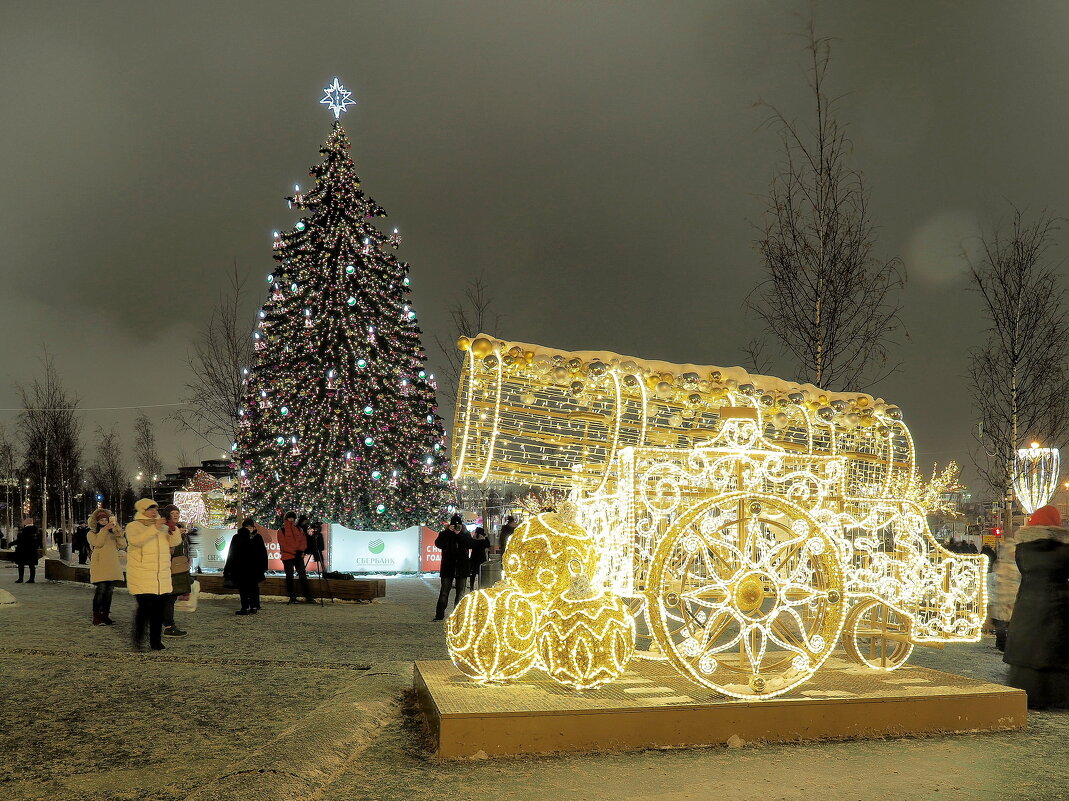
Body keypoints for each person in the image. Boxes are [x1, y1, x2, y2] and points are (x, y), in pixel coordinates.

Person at [1003, 505, 1069, 709]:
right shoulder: (1064, 550)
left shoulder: (1021, 550)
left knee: (1028, 650)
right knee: (1053, 649)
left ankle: (1026, 694)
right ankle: (1055, 696)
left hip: (1027, 606)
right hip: (1057, 605)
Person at [125, 499, 181, 651]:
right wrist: (154, 528)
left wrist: (172, 528)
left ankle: (156, 641)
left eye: (155, 509)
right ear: (142, 510)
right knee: (144, 610)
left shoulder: (161, 527)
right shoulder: (133, 526)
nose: (154, 512)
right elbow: (136, 541)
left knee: (158, 612)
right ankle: (138, 640)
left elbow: (175, 541)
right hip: (141, 576)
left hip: (160, 578)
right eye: (150, 509)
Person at [87, 508, 126, 626]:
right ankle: (97, 617)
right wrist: (104, 529)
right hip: (100, 565)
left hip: (112, 565)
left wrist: (118, 532)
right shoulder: (91, 533)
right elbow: (98, 543)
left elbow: (123, 545)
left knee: (109, 591)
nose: (104, 521)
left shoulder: (112, 533)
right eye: (101, 520)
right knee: (101, 590)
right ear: (97, 522)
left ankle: (105, 615)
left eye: (105, 519)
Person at [159, 504, 192, 638]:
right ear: (167, 515)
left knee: (170, 597)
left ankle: (166, 623)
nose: (176, 515)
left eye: (177, 513)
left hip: (179, 566)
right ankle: (168, 625)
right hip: (169, 568)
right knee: (169, 597)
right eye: (173, 513)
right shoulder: (165, 529)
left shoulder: (177, 528)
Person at [225, 518, 268, 615]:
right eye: (247, 527)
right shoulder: (237, 537)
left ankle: (254, 606)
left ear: (253, 527)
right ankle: (246, 607)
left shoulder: (257, 537)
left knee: (253, 587)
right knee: (243, 588)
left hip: (254, 568)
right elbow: (231, 553)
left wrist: (263, 566)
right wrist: (228, 568)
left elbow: (262, 553)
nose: (249, 529)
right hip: (241, 568)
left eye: (250, 527)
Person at [992, 522, 1024, 653]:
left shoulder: (1005, 564)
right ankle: (1002, 643)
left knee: (1006, 624)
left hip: (1008, 598)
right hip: (1006, 598)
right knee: (1003, 624)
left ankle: (1003, 643)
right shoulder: (1010, 565)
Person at [433, 514, 472, 621]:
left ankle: (458, 616)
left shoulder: (465, 534)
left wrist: (459, 534)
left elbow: (470, 544)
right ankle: (439, 615)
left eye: (458, 525)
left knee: (460, 592)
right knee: (444, 591)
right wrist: (448, 532)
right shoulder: (445, 534)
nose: (456, 527)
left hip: (462, 567)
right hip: (448, 566)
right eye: (454, 525)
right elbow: (438, 544)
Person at [278, 511, 315, 604]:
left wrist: (301, 550)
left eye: (292, 518)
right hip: (288, 557)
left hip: (298, 556)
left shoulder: (299, 529)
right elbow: (283, 545)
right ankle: (292, 596)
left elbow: (303, 541)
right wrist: (296, 552)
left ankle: (308, 596)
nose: (291, 519)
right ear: (286, 519)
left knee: (303, 576)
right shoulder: (281, 531)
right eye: (289, 518)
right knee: (289, 576)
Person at [14, 517, 41, 583]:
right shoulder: (36, 530)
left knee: (21, 564)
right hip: (32, 550)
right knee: (31, 565)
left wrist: (11, 543)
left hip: (23, 550)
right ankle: (32, 579)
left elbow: (20, 540)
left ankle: (20, 578)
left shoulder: (25, 530)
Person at [468, 526, 491, 591]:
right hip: (481, 558)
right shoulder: (483, 540)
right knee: (481, 573)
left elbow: (470, 545)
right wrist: (486, 537)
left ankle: (471, 586)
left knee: (473, 573)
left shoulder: (473, 540)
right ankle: (480, 586)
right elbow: (488, 545)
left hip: (474, 558)